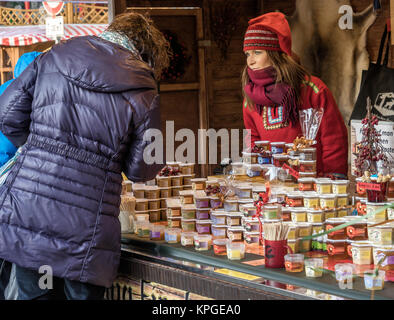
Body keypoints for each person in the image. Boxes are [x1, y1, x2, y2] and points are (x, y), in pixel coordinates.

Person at [0, 11, 170, 300]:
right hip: (86, 235)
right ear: (147, 55)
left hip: (30, 218)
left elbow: (7, 114)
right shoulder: (143, 90)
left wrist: (42, 147)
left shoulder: (53, 56)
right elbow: (143, 169)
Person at [242, 12, 348, 178]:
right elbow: (254, 142)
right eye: (247, 54)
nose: (251, 61)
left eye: (257, 52)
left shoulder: (312, 90)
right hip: (273, 184)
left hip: (314, 185)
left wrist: (333, 180)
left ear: (275, 54)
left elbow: (334, 139)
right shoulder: (250, 99)